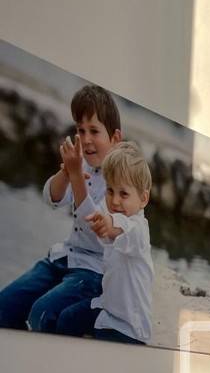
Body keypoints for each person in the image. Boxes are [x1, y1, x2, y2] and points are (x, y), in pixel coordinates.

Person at [0, 84, 122, 331]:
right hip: (64, 257)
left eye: (94, 131)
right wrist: (66, 173)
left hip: (93, 272)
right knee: (4, 305)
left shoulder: (120, 180)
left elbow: (96, 226)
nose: (86, 139)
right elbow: (52, 198)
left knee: (41, 314)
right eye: (81, 130)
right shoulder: (82, 165)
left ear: (115, 139)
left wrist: (76, 177)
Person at [56, 142, 154, 345]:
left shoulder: (138, 230)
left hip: (128, 327)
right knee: (66, 319)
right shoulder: (112, 217)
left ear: (143, 199)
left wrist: (108, 223)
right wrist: (76, 178)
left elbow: (119, 227)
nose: (115, 201)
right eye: (110, 191)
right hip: (107, 309)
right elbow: (93, 217)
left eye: (124, 194)